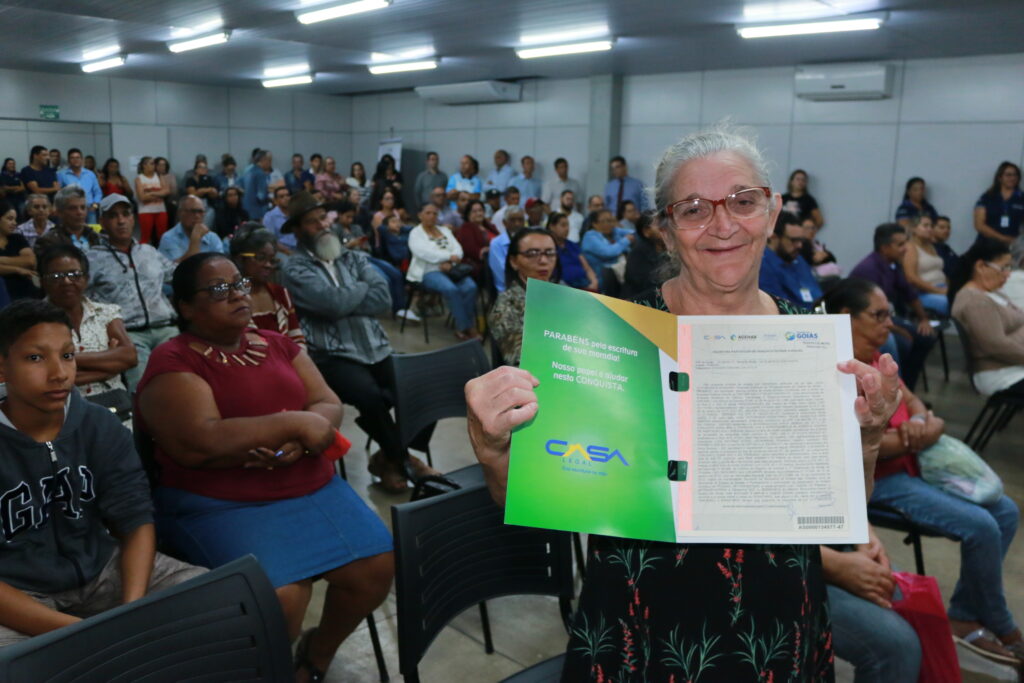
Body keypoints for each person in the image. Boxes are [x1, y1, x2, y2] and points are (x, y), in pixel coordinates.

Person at [465, 125, 901, 682]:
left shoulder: (810, 341)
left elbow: (844, 503)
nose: (723, 225)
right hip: (639, 624)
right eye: (693, 209)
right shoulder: (609, 338)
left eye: (743, 202)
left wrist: (865, 437)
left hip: (775, 624)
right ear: (667, 232)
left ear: (770, 213)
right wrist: (493, 444)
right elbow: (522, 495)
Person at [136, 253, 393, 682]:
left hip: (308, 483)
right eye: (218, 289)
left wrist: (300, 441)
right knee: (281, 598)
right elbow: (201, 441)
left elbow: (327, 402)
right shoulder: (174, 360)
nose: (237, 293)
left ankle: (317, 655)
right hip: (221, 500)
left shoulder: (275, 342)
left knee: (376, 566)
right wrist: (295, 424)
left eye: (238, 283)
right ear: (184, 306)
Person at [824, 276, 1024, 667]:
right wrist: (916, 432)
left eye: (889, 313)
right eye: (878, 314)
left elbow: (920, 408)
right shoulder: (835, 370)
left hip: (911, 464)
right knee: (981, 526)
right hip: (878, 482)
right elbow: (858, 448)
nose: (888, 323)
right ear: (846, 317)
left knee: (1006, 511)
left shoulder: (878, 356)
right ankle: (1000, 623)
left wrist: (923, 427)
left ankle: (966, 613)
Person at [0, 299, 205, 649]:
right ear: (1, 368)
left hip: (103, 568)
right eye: (35, 358)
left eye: (67, 355)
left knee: (215, 598)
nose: (59, 373)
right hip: (19, 591)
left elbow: (135, 517)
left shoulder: (98, 424)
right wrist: (87, 634)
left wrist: (133, 607)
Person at [281, 192, 436, 492]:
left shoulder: (351, 256)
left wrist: (348, 297)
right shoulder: (295, 268)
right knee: (370, 397)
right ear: (298, 231)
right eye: (312, 223)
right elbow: (331, 304)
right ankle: (404, 460)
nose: (323, 226)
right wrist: (360, 289)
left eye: (323, 219)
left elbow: (384, 298)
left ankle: (387, 458)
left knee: (425, 385)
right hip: (332, 354)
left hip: (375, 346)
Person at [87, 194, 179, 390]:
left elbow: (178, 277)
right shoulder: (92, 258)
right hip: (129, 335)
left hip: (166, 328)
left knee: (183, 384)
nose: (121, 220)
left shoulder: (149, 251)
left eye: (125, 214)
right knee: (145, 391)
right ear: (102, 222)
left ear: (133, 218)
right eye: (113, 216)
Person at [38, 245, 136, 412]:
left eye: (74, 275)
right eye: (56, 276)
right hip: (64, 411)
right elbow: (43, 377)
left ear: (86, 278)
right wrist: (109, 367)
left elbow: (129, 357)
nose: (67, 281)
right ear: (42, 282)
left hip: (116, 407)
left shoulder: (106, 312)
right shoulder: (33, 321)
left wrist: (64, 359)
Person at [821, 522, 922, 683]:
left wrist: (865, 535)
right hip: (783, 564)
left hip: (835, 545)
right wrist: (837, 566)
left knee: (919, 610)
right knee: (898, 646)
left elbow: (843, 498)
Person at [850, 223, 937, 390]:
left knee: (925, 338)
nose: (906, 248)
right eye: (900, 244)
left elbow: (909, 293)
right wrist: (897, 329)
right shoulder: (868, 270)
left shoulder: (893, 264)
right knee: (901, 343)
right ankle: (894, 390)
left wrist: (923, 319)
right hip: (869, 321)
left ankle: (908, 390)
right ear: (884, 247)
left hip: (886, 317)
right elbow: (871, 315)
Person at [952, 239, 1024, 397]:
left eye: (1010, 267)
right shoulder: (976, 302)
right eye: (1003, 267)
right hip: (1002, 373)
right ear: (980, 266)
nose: (1008, 273)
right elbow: (997, 346)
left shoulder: (991, 292)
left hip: (1014, 366)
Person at [488, 228, 559, 365]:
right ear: (514, 261)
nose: (544, 260)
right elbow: (523, 361)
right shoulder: (505, 307)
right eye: (532, 253)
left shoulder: (563, 294)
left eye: (550, 253)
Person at [407, 203, 479, 340]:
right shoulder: (415, 233)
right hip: (428, 271)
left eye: (435, 213)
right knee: (451, 289)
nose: (432, 216)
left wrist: (452, 260)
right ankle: (466, 328)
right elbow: (423, 253)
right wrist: (447, 257)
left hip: (452, 269)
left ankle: (463, 326)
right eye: (428, 213)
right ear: (420, 215)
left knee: (471, 287)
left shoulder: (445, 230)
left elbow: (457, 248)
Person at [230, 223, 305, 348]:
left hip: (289, 363)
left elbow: (297, 339)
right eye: (261, 258)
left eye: (272, 260)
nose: (268, 265)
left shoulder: (281, 293)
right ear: (240, 259)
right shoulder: (230, 298)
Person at [759, 210, 822, 309]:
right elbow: (781, 308)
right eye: (794, 240)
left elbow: (818, 296)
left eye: (801, 240)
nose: (800, 245)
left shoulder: (798, 259)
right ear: (774, 237)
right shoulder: (762, 265)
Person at [901, 215, 949, 315]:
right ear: (914, 229)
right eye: (925, 226)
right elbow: (911, 278)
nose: (929, 229)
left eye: (931, 226)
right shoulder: (910, 247)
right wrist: (938, 291)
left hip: (941, 288)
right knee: (952, 302)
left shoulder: (931, 246)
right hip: (923, 293)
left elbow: (939, 271)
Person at [974, 161, 1024, 254]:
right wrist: (1002, 238)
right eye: (1008, 175)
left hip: (1013, 245)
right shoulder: (987, 197)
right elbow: (979, 225)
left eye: (1015, 175)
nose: (1012, 178)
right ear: (1000, 177)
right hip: (987, 243)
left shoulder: (1021, 198)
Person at [35, 185, 99, 255]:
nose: (80, 212)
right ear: (59, 212)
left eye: (83, 207)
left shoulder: (96, 237)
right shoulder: (48, 241)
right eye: (73, 208)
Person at [158, 195, 226, 261]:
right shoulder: (168, 238)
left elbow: (221, 265)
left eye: (200, 211)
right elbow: (178, 269)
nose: (197, 216)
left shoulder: (213, 237)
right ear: (180, 213)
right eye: (192, 211)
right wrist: (196, 239)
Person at [581, 208, 633, 290]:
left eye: (611, 220)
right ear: (595, 224)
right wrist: (626, 240)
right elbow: (609, 252)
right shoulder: (590, 237)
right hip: (601, 280)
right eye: (606, 221)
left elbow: (634, 233)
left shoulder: (613, 231)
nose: (611, 224)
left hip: (618, 275)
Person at [622, 212, 669, 299]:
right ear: (646, 231)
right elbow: (648, 286)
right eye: (659, 224)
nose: (665, 227)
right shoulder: (638, 254)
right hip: (639, 304)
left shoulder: (671, 249)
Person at [548, 211, 597, 290]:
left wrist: (594, 282)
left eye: (568, 225)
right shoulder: (548, 247)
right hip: (563, 288)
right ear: (552, 227)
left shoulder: (573, 245)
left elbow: (587, 268)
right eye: (563, 225)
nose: (567, 229)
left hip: (584, 284)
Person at [0, 200, 38, 301]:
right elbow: (24, 262)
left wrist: (2, 260)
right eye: (10, 219)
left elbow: (30, 261)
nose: (15, 223)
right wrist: (18, 269)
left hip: (26, 293)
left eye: (15, 219)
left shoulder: (17, 238)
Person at [455, 199, 498, 281]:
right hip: (483, 264)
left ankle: (530, 291)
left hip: (497, 258)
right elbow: (470, 249)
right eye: (474, 211)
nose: (478, 213)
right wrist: (490, 249)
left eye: (480, 210)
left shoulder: (490, 226)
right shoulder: (466, 228)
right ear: (468, 214)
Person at [57, 149, 102, 224]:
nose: (75, 160)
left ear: (82, 159)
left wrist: (95, 206)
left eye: (78, 157)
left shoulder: (90, 174)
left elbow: (97, 192)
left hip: (90, 210)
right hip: (71, 209)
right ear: (68, 160)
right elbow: (59, 193)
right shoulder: (61, 174)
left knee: (91, 233)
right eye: (72, 158)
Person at [488, 206, 526, 292]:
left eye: (520, 220)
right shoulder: (496, 243)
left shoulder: (530, 240)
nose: (517, 224)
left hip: (529, 285)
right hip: (507, 289)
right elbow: (503, 273)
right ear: (504, 223)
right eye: (513, 220)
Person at [135, 156, 169, 245]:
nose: (154, 166)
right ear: (144, 165)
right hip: (145, 211)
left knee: (162, 236)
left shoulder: (159, 176)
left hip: (161, 210)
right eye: (152, 163)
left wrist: (151, 193)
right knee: (145, 237)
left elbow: (166, 191)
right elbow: (142, 198)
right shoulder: (139, 179)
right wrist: (159, 194)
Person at [801, 216, 841, 282]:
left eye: (813, 228)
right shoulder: (800, 246)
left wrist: (826, 255)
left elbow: (833, 259)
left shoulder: (817, 244)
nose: (811, 231)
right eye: (807, 228)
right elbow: (811, 260)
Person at [185, 158, 220, 227]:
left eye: (205, 167)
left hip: (208, 206)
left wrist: (202, 191)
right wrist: (208, 190)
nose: (203, 169)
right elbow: (193, 194)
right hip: (194, 206)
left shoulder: (209, 179)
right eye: (200, 167)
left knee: (211, 213)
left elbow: (214, 194)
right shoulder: (191, 180)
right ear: (196, 170)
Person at [242, 150, 272, 220]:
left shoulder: (248, 171)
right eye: (270, 161)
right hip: (258, 213)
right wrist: (271, 199)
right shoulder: (260, 173)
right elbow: (261, 197)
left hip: (246, 211)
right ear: (263, 160)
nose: (270, 164)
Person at [933, 215, 960, 283]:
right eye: (942, 228)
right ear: (932, 229)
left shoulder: (946, 248)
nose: (946, 230)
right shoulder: (930, 249)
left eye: (948, 228)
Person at [154, 157, 178, 225]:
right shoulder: (152, 177)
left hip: (168, 201)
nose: (162, 167)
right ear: (155, 166)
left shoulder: (170, 176)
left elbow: (173, 191)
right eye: (160, 165)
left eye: (164, 165)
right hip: (155, 202)